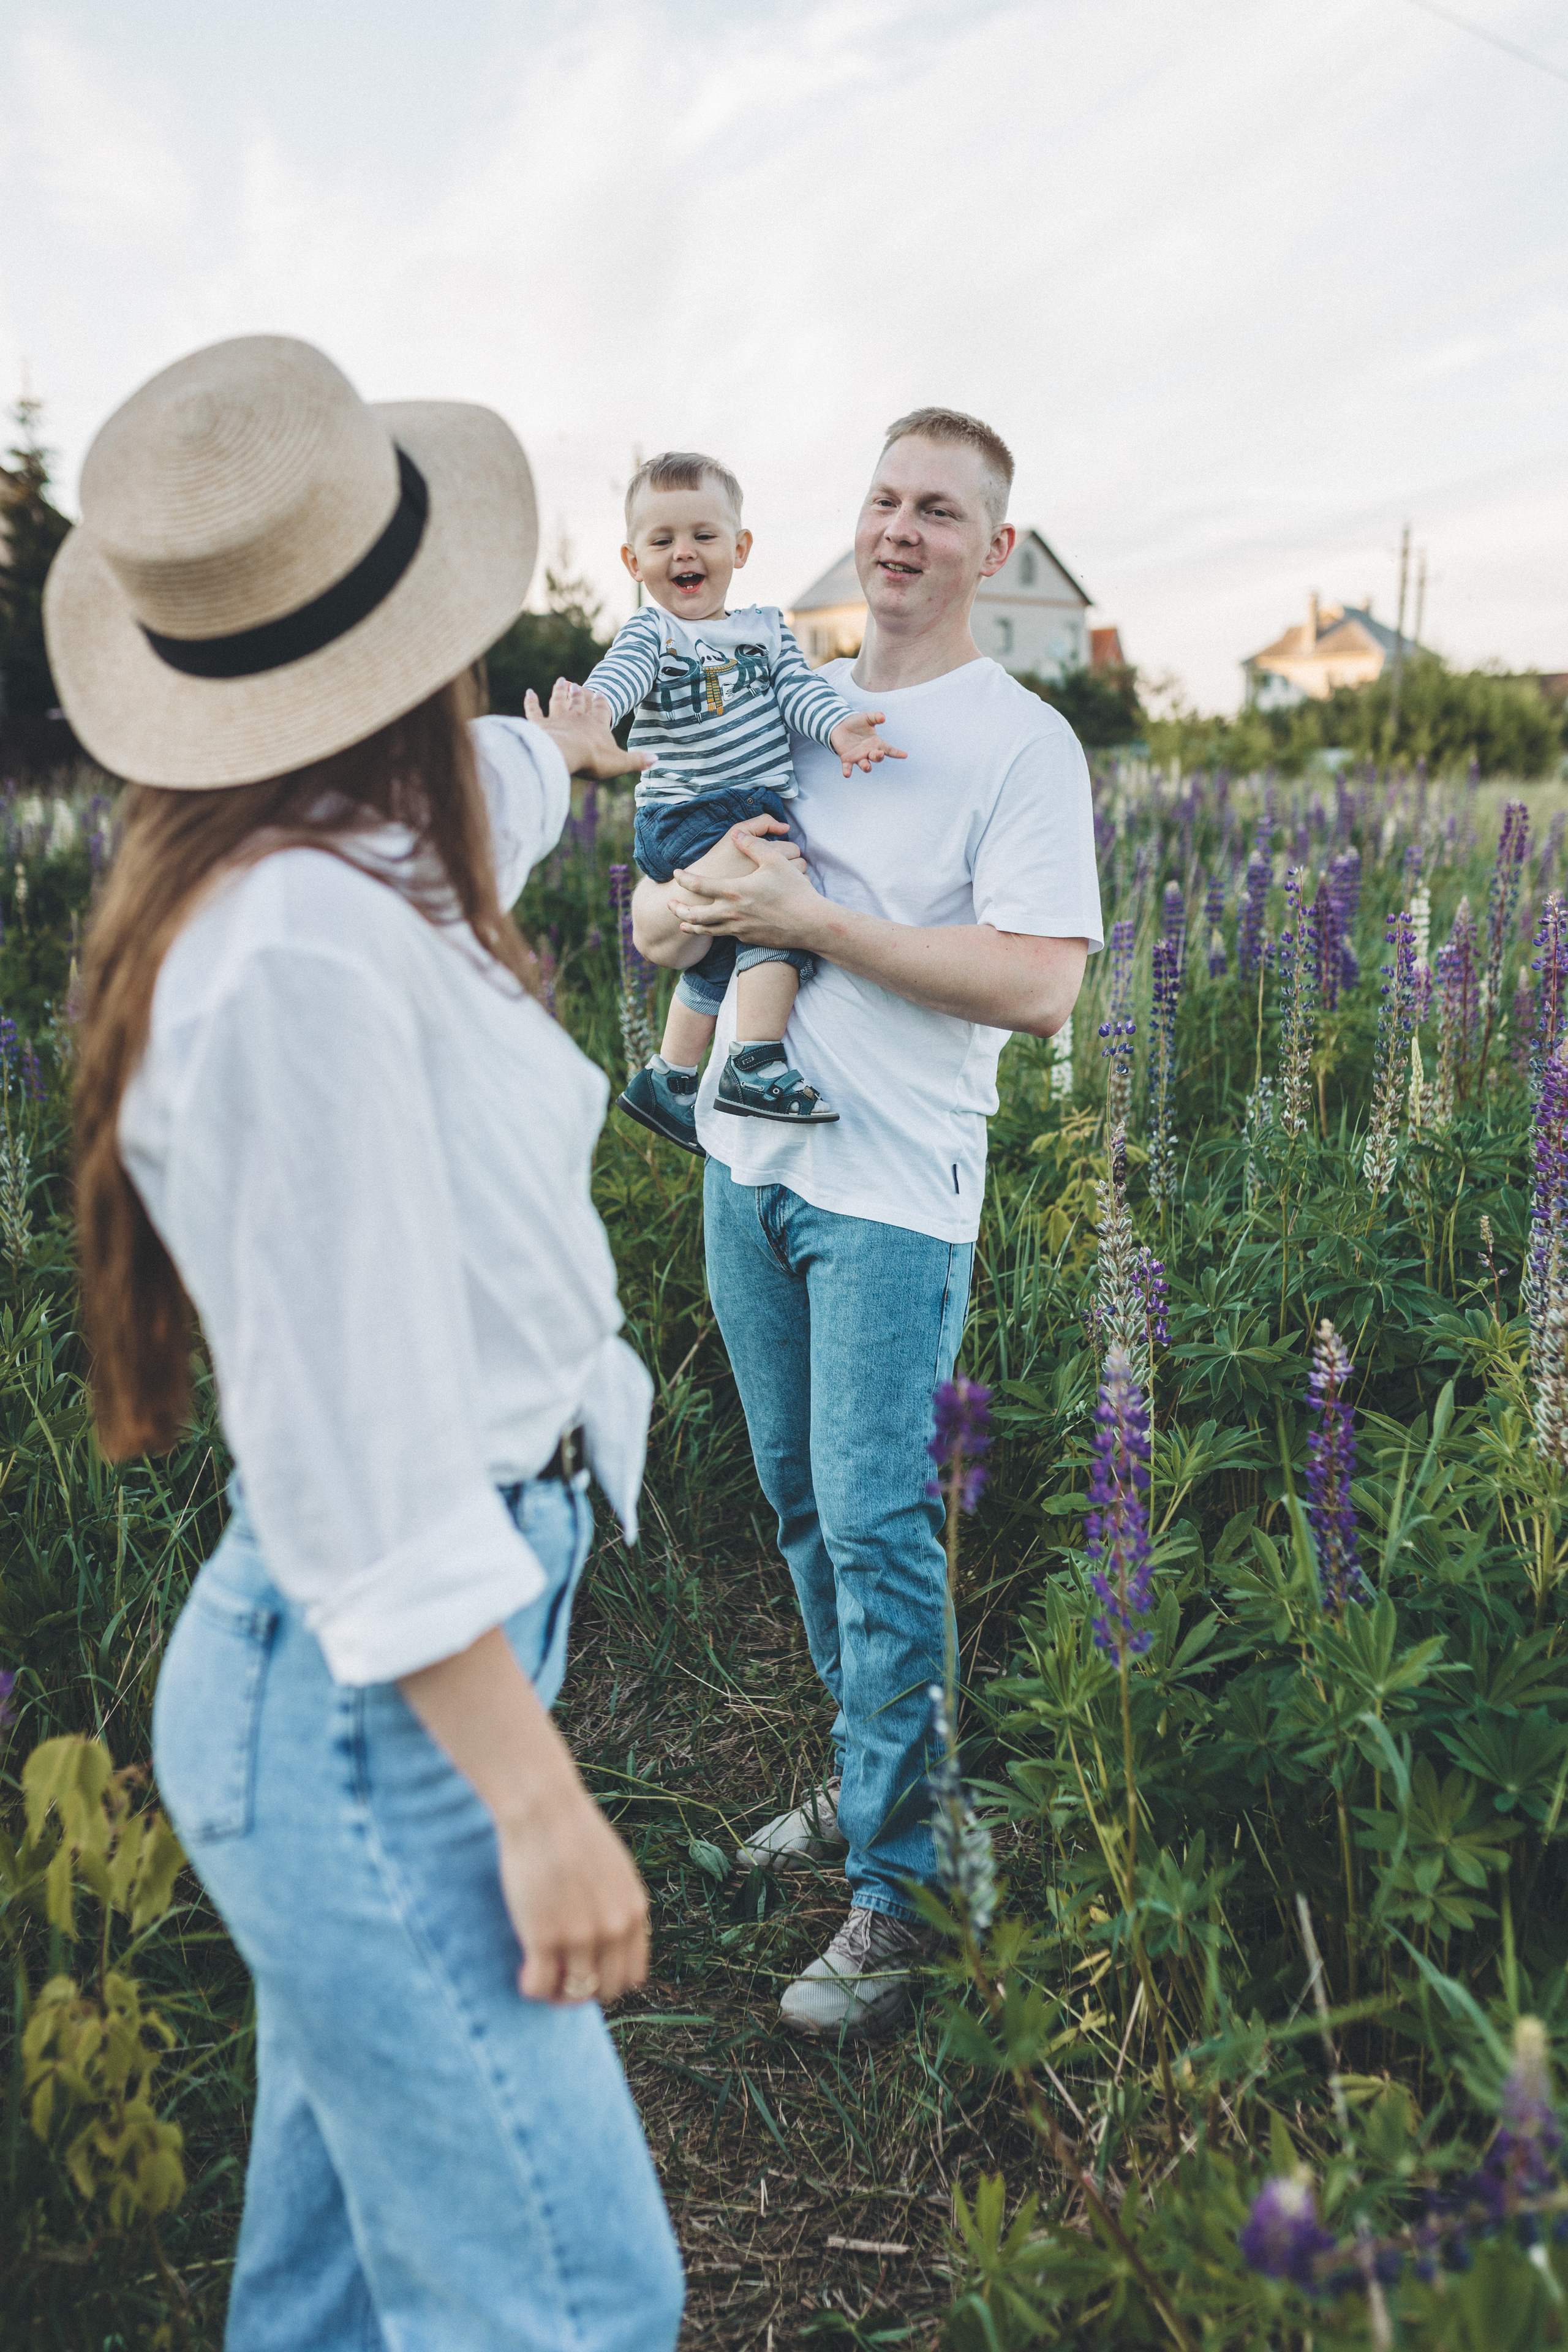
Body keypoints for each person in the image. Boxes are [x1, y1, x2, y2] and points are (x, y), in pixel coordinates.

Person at [48, 334, 685, 2351]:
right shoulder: (289, 962)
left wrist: (569, 749)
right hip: (373, 1714)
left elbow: (494, 794)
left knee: (326, 2292)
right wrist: (534, 1797)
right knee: (573, 2300)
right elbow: (351, 1462)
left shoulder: (349, 845)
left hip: (390, 1676)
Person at [631, 407, 1103, 2040]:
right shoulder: (796, 701)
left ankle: (906, 1892)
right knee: (801, 1509)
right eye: (886, 500)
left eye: (942, 510)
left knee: (883, 1526)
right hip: (743, 1169)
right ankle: (869, 1780)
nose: (902, 530)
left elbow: (1042, 985)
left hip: (893, 1192)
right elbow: (662, 912)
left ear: (998, 547)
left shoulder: (1023, 740)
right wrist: (685, 909)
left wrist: (814, 919)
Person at [587, 450, 903, 1152]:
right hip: (687, 811)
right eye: (661, 541)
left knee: (721, 950)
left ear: (740, 547)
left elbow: (799, 693)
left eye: (702, 535)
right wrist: (592, 717)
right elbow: (619, 678)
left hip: (741, 806)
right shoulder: (655, 632)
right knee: (785, 905)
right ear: (632, 561)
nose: (683, 554)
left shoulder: (764, 631)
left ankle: (669, 1077)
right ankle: (753, 1061)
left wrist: (842, 728)